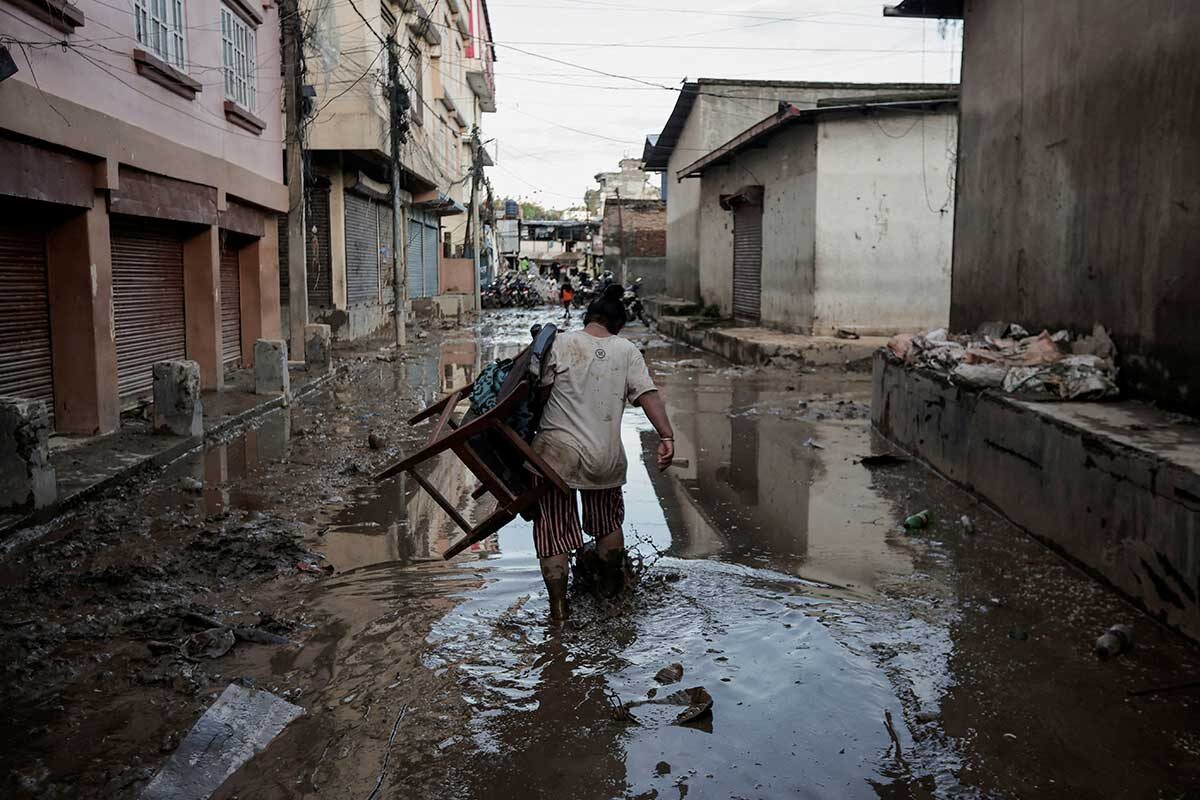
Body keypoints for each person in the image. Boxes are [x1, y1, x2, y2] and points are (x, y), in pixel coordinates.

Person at [531, 284, 675, 621]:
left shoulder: (562, 342)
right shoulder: (626, 350)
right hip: (604, 458)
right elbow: (648, 395)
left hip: (555, 454)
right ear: (617, 326)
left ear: (588, 318)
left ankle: (559, 611)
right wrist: (667, 436)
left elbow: (536, 393)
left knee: (553, 532)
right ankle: (611, 600)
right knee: (607, 524)